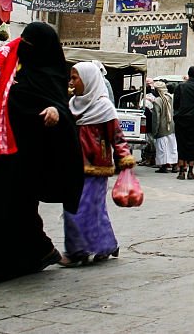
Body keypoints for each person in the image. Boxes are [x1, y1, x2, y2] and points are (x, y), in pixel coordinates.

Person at [0, 22, 83, 291]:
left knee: (11, 209)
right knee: (2, 208)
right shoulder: (10, 63)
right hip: (0, 153)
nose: (23, 47)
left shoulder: (51, 75)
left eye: (30, 44)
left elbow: (61, 109)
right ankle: (38, 253)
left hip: (28, 157)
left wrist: (55, 113)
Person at [60, 61, 134, 267]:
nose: (72, 82)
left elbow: (117, 137)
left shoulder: (103, 107)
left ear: (88, 80)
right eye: (72, 78)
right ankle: (106, 245)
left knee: (83, 209)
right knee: (83, 209)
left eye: (76, 78)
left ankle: (77, 251)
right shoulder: (71, 104)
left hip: (97, 168)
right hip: (74, 165)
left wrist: (125, 160)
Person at [173, 66, 194, 180]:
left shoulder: (181, 86)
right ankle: (191, 171)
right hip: (193, 119)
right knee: (192, 144)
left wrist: (176, 115)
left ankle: (181, 171)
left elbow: (175, 104)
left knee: (181, 144)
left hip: (181, 118)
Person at [149, 80, 178, 174]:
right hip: (171, 126)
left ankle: (164, 166)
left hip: (162, 128)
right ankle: (174, 166)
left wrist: (155, 131)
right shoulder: (170, 98)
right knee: (172, 147)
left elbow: (156, 118)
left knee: (162, 148)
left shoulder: (157, 101)